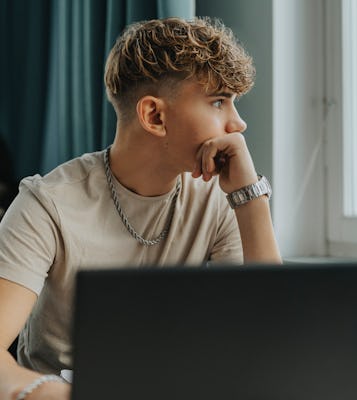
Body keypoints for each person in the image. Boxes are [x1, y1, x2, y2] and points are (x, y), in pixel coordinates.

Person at [0, 17, 281, 399]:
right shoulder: (46, 203)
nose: (239, 123)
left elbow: (275, 336)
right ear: (155, 116)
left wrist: (251, 198)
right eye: (219, 102)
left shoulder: (220, 199)